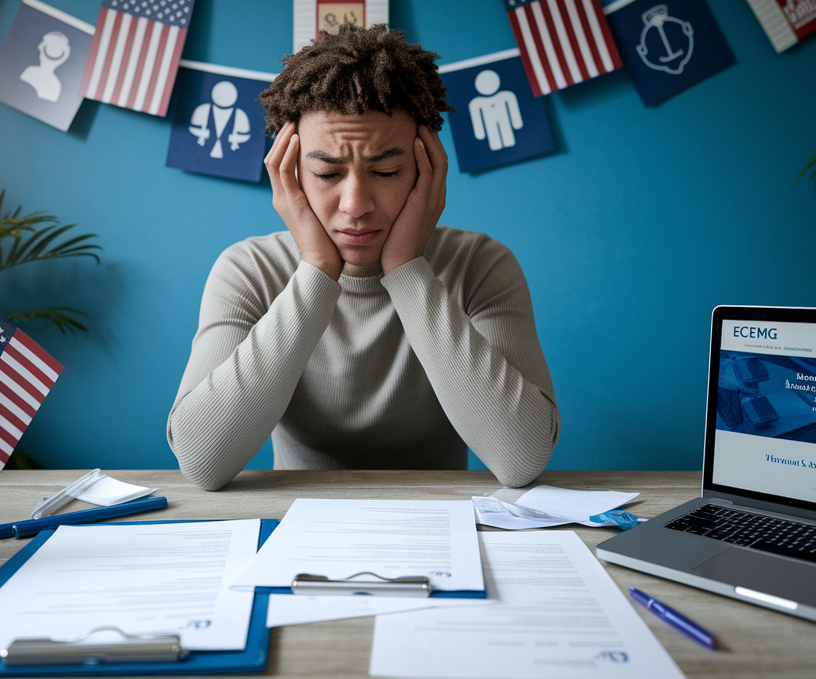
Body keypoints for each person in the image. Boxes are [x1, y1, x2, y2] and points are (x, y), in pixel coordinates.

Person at [167, 24, 559, 491]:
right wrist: (316, 269)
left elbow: (522, 457)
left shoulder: (480, 266)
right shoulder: (249, 270)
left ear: (427, 166)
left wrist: (407, 269)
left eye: (387, 171)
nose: (355, 205)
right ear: (289, 174)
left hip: (439, 522)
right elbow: (200, 461)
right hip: (292, 523)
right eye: (327, 173)